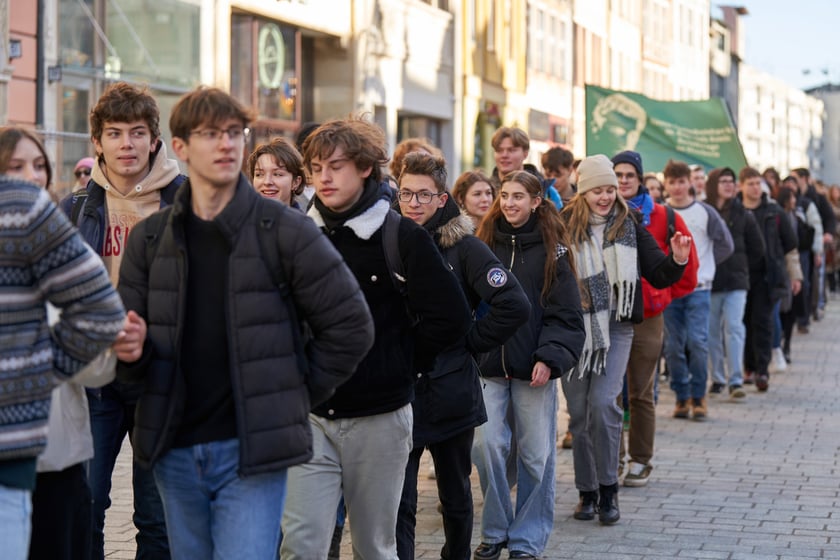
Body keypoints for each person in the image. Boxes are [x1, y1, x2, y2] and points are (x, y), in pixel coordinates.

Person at [114, 87, 375, 559]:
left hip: (251, 454)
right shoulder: (150, 239)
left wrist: (292, 396)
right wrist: (133, 358)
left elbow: (352, 325)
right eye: (211, 134)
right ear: (179, 147)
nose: (227, 144)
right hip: (173, 450)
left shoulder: (286, 230)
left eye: (235, 133)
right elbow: (129, 353)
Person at [280, 116, 471, 560]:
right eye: (316, 168)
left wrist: (403, 361)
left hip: (380, 418)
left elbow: (453, 318)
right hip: (309, 416)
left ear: (365, 167)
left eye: (336, 166)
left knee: (374, 548)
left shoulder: (399, 235)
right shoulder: (294, 234)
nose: (324, 177)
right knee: (300, 545)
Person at [59, 81, 182, 560]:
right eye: (114, 134)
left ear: (155, 139)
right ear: (97, 142)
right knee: (84, 504)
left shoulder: (186, 203)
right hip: (95, 377)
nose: (126, 145)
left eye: (137, 133)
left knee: (156, 516)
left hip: (161, 377)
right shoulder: (77, 208)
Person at [395, 152, 530, 560]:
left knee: (455, 494)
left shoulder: (464, 247)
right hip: (400, 389)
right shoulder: (387, 239)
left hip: (451, 389)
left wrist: (469, 342)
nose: (414, 203)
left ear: (441, 198)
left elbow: (514, 304)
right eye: (406, 194)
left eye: (423, 195)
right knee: (399, 499)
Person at [0, 126, 119, 560]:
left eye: (39, 167)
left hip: (55, 455)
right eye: (15, 167)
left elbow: (101, 350)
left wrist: (31, 368)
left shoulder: (65, 247)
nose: (31, 178)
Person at [561, 154, 689, 525]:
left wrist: (677, 259)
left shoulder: (629, 222)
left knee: (604, 404)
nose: (604, 197)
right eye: (597, 190)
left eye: (609, 190)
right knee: (580, 414)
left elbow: (660, 273)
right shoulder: (563, 225)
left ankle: (608, 490)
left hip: (616, 327)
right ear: (583, 191)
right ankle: (586, 492)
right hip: (574, 330)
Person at [472, 170, 585, 560]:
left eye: (519, 196)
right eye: (505, 195)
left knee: (536, 456)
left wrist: (550, 358)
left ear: (537, 201)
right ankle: (495, 530)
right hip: (488, 366)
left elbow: (566, 315)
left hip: (534, 370)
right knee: (486, 447)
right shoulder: (483, 242)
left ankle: (527, 539)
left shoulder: (554, 249)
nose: (509, 203)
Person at [611, 150, 698, 489]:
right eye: (617, 174)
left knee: (642, 392)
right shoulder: (600, 213)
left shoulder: (663, 215)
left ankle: (640, 460)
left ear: (640, 178)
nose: (623, 181)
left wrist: (662, 297)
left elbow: (686, 262)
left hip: (648, 316)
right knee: (611, 394)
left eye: (629, 175)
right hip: (613, 315)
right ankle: (612, 460)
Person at [662, 159, 733, 420]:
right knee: (673, 346)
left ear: (689, 183)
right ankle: (681, 395)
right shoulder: (663, 212)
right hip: (670, 289)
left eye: (682, 181)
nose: (678, 187)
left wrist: (705, 265)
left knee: (698, 342)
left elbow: (726, 244)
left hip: (700, 288)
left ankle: (698, 395)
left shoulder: (705, 212)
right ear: (666, 184)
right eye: (672, 182)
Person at [737, 167, 802, 392]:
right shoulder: (735, 211)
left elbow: (790, 246)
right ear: (741, 186)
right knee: (742, 322)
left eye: (758, 183)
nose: (756, 188)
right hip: (740, 276)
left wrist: (795, 276)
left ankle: (762, 370)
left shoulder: (773, 212)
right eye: (751, 183)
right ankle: (749, 366)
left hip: (767, 276)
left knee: (762, 321)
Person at [705, 167, 765, 399]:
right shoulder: (705, 211)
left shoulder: (744, 214)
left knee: (734, 329)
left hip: (737, 282)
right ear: (714, 185)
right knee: (711, 333)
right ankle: (718, 379)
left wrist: (741, 266)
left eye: (731, 181)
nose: (729, 185)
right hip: (711, 281)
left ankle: (736, 380)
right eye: (724, 181)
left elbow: (758, 249)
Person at [489, 127, 562, 208]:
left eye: (511, 150)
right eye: (499, 150)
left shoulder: (546, 191)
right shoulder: (485, 190)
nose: (504, 155)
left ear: (525, 153)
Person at [248, 137, 306, 209]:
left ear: (296, 182)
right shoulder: (238, 218)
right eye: (259, 175)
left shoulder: (303, 220)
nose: (267, 182)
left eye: (277, 174)